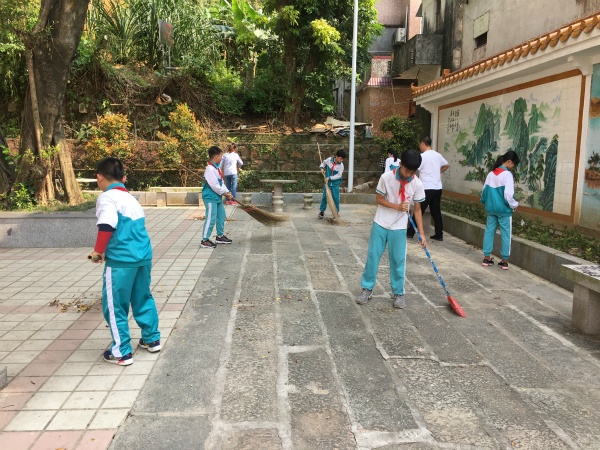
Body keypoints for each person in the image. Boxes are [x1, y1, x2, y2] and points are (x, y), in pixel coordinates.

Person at [89, 157, 161, 366]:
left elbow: (107, 224)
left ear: (99, 178)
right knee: (142, 298)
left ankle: (121, 352)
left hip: (121, 261)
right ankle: (151, 339)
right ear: (124, 178)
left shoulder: (107, 198)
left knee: (115, 306)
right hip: (143, 257)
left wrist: (98, 251)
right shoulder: (130, 198)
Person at [357, 149, 427, 309]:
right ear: (400, 164)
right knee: (373, 256)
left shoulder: (417, 183)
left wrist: (421, 233)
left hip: (399, 227)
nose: (409, 174)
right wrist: (397, 206)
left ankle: (398, 293)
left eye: (412, 172)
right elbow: (378, 199)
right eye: (407, 170)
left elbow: (417, 209)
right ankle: (367, 288)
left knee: (398, 260)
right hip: (380, 222)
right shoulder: (386, 177)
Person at [481, 150, 520, 270]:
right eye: (513, 164)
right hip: (504, 210)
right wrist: (514, 205)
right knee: (505, 234)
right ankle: (504, 261)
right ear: (509, 162)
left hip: (491, 209)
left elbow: (484, 192)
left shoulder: (491, 174)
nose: (513, 167)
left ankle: (486, 258)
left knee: (489, 231)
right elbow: (508, 195)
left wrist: (485, 203)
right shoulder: (507, 175)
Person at [407, 136, 450, 241]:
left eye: (419, 144)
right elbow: (447, 165)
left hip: (426, 187)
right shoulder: (437, 155)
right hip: (437, 188)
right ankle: (439, 234)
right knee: (436, 211)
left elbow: (415, 169)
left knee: (418, 209)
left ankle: (410, 232)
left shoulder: (422, 156)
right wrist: (437, 172)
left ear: (422, 143)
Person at [201, 145, 234, 248]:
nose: (221, 158)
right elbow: (214, 186)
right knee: (211, 218)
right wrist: (224, 193)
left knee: (221, 216)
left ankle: (220, 236)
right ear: (216, 157)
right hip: (210, 197)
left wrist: (227, 192)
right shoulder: (210, 169)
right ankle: (205, 240)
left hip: (217, 197)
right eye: (221, 156)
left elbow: (221, 183)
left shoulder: (216, 168)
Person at [318, 148, 347, 219]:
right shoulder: (329, 160)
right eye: (340, 158)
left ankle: (336, 212)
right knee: (325, 197)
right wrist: (321, 168)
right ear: (337, 156)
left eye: (342, 159)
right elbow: (323, 163)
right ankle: (322, 211)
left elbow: (339, 176)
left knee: (336, 198)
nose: (341, 160)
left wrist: (330, 178)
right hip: (327, 184)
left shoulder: (341, 166)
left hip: (335, 184)